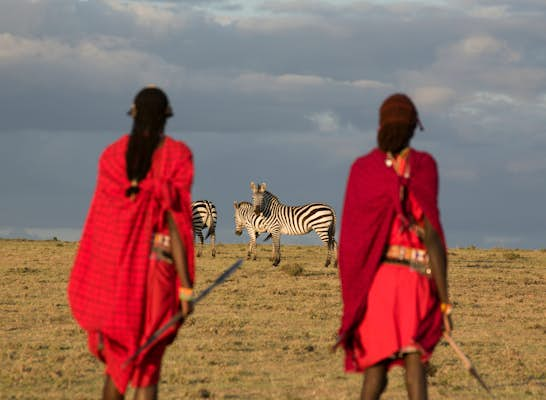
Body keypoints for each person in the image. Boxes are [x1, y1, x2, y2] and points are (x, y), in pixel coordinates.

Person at [68, 86, 196, 400]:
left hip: (113, 278)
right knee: (149, 363)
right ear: (167, 115)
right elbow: (176, 224)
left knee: (117, 362)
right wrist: (186, 286)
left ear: (134, 113)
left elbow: (102, 225)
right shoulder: (177, 156)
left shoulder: (111, 156)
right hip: (158, 278)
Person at [336, 93, 452, 400]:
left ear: (380, 126)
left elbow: (352, 241)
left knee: (376, 371)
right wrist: (444, 301)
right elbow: (432, 238)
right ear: (414, 127)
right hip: (415, 280)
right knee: (415, 365)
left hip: (379, 284)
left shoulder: (363, 169)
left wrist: (355, 295)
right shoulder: (424, 166)